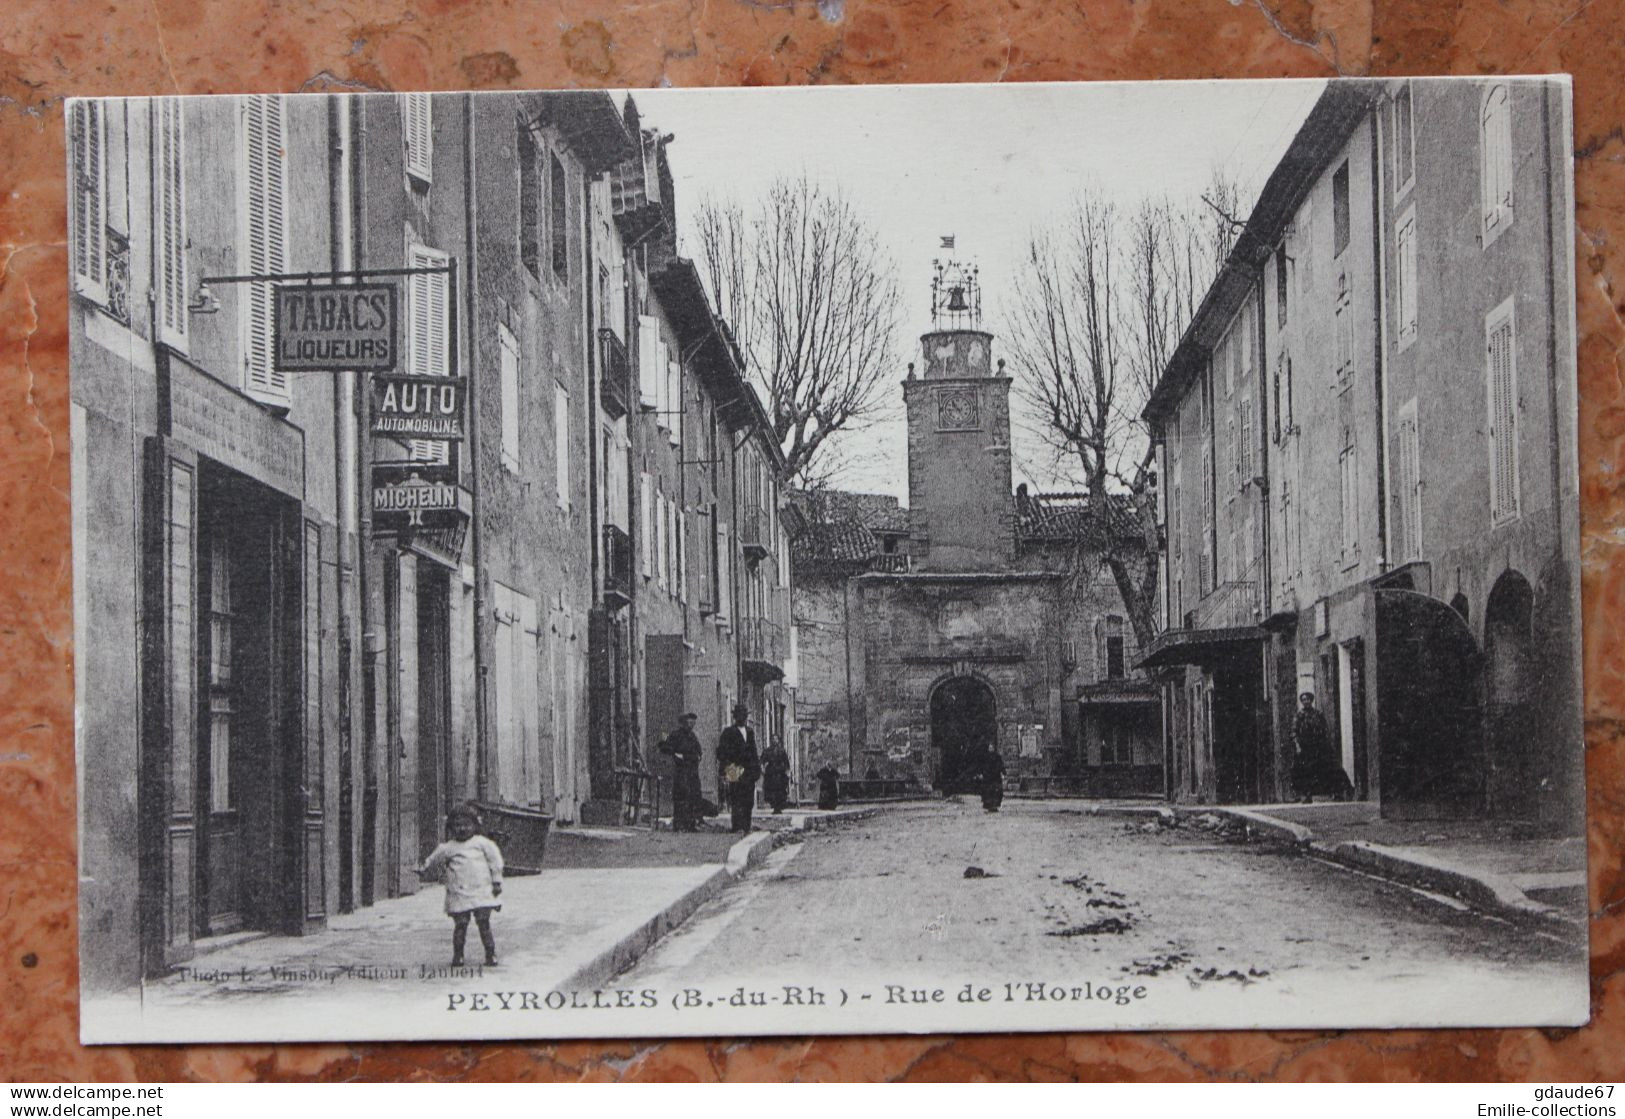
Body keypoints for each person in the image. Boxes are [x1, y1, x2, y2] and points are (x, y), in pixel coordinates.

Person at [419, 805, 503, 968]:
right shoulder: (448, 847)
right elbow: (434, 859)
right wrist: (424, 868)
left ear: (475, 826)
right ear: (451, 828)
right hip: (459, 891)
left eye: (466, 825)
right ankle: (458, 956)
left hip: (481, 890)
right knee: (461, 924)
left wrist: (497, 881)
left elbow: (495, 862)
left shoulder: (482, 843)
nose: (462, 829)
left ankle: (490, 953)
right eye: (457, 825)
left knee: (483, 922)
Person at [1293, 691, 1354, 803]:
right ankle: (1307, 795)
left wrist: (1324, 743)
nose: (1306, 701)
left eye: (1308, 699)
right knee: (1307, 772)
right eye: (1303, 699)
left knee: (1330, 769)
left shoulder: (1318, 714)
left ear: (1311, 700)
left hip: (1320, 746)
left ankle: (1338, 792)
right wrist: (1298, 746)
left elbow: (1324, 729)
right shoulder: (1299, 716)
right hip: (1306, 748)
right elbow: (1294, 732)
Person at [717, 703, 763, 833]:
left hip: (748, 770)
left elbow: (754, 752)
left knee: (748, 799)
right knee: (736, 798)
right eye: (739, 715)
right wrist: (728, 770)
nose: (742, 718)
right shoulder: (728, 732)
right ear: (735, 717)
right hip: (735, 768)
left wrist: (756, 769)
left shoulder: (750, 732)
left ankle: (746, 826)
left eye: (744, 715)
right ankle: (737, 826)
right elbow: (722, 752)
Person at [658, 712, 705, 832]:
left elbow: (699, 751)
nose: (691, 725)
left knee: (693, 796)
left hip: (692, 771)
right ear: (684, 723)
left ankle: (691, 824)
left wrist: (698, 756)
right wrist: (675, 754)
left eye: (693, 723)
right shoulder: (676, 735)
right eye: (689, 722)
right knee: (681, 796)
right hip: (681, 771)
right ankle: (679, 824)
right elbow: (665, 747)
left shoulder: (693, 736)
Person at [761, 735, 792, 814]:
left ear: (778, 740)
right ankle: (774, 806)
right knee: (771, 791)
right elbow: (762, 760)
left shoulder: (782, 751)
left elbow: (786, 762)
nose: (775, 741)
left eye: (776, 739)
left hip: (780, 774)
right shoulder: (767, 751)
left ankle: (779, 807)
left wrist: (787, 771)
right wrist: (763, 769)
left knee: (780, 791)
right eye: (773, 739)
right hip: (771, 773)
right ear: (771, 741)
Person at [980, 748, 1005, 813]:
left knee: (996, 792)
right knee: (988, 792)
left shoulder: (997, 757)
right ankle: (989, 806)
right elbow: (982, 766)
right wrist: (982, 773)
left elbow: (1001, 765)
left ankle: (994, 806)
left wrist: (1003, 772)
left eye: (992, 747)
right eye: (989, 747)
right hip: (988, 777)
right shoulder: (985, 757)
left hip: (995, 777)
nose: (991, 749)